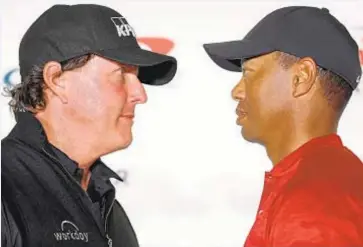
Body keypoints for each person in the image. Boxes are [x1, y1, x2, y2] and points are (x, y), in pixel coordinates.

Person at [1, 4, 177, 247]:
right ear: (56, 80)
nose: (140, 94)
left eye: (136, 76)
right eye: (121, 74)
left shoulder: (105, 203)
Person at [203, 6, 363, 246]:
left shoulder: (314, 201)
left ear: (301, 78)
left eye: (249, 73)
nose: (236, 91)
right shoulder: (332, 178)